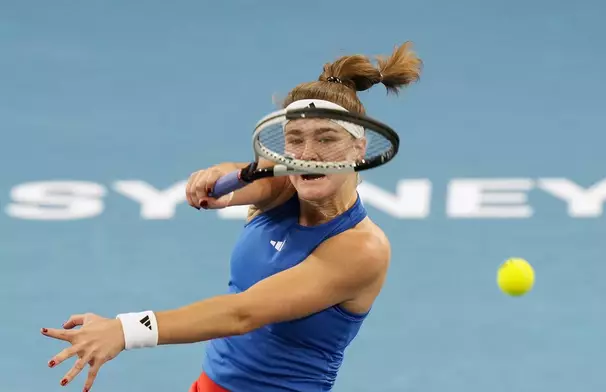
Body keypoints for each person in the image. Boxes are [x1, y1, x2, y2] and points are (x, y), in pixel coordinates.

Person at [41, 41, 422, 392]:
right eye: (295, 139)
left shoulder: (362, 249)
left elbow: (243, 314)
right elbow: (252, 179)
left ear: (359, 147)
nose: (308, 153)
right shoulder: (283, 188)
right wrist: (213, 179)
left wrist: (125, 329)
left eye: (326, 138)